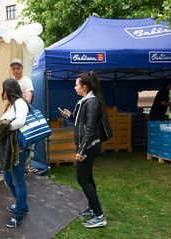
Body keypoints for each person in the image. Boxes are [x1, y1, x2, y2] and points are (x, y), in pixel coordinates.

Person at [61, 71, 108, 228]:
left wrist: (81, 151)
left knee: (83, 179)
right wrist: (70, 115)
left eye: (76, 85)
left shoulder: (92, 102)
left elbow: (90, 129)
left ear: (84, 87)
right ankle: (93, 209)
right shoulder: (86, 101)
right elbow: (81, 120)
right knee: (87, 177)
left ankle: (99, 215)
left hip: (88, 146)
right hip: (87, 146)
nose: (75, 87)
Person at [0, 78, 29, 228]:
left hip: (18, 148)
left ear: (8, 90)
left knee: (18, 181)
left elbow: (20, 122)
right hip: (10, 148)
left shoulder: (19, 102)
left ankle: (19, 215)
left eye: (3, 89)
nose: (2, 92)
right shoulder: (11, 104)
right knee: (7, 177)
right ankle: (21, 204)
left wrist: (3, 127)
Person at [10, 58, 34, 173]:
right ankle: (19, 167)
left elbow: (28, 99)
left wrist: (19, 102)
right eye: (14, 69)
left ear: (22, 68)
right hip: (14, 117)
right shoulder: (12, 82)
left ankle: (26, 168)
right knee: (16, 143)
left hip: (25, 116)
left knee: (25, 142)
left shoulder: (27, 81)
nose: (16, 71)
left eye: (18, 68)